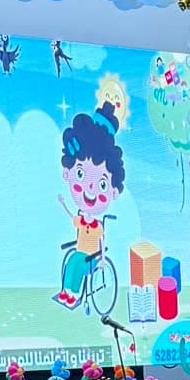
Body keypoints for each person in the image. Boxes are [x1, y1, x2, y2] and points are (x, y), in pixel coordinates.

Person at [54, 99, 124, 308]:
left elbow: (101, 245)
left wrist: (101, 258)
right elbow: (71, 215)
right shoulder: (82, 221)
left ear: (113, 191)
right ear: (68, 174)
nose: (90, 190)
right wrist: (62, 203)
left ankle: (73, 293)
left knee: (76, 262)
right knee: (72, 260)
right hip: (80, 254)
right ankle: (67, 291)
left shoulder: (97, 227)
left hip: (92, 258)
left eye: (101, 183)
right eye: (81, 174)